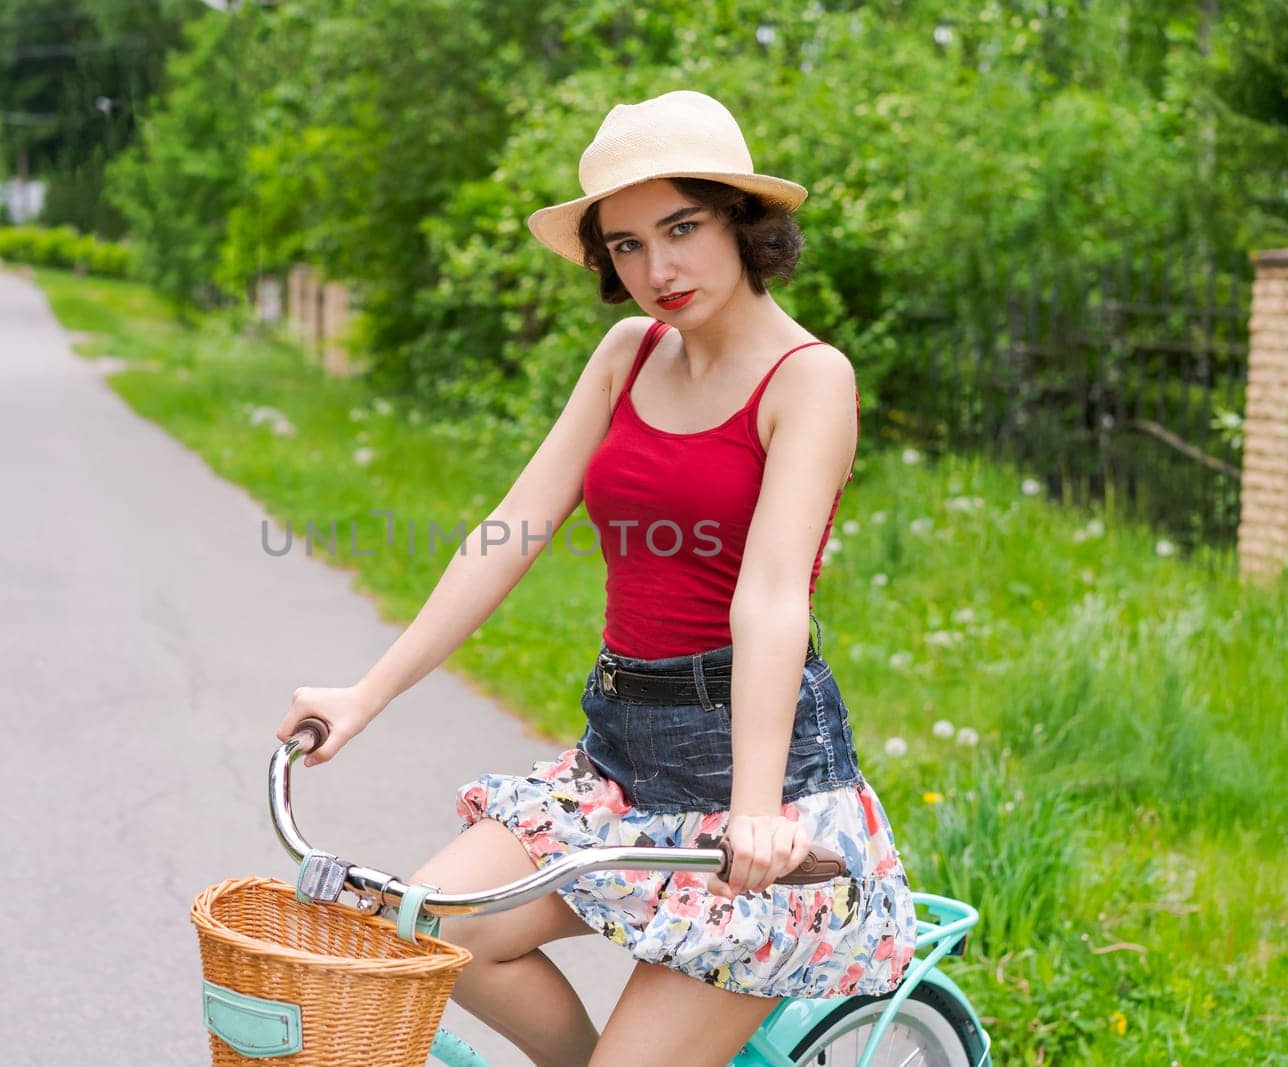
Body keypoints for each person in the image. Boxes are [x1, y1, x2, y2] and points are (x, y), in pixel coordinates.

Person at [276, 89, 918, 1067]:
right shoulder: (629, 353)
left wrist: (754, 806)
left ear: (743, 222)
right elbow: (510, 530)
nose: (655, 268)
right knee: (421, 929)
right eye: (623, 244)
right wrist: (366, 694)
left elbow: (772, 594)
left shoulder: (806, 376)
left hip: (756, 779)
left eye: (681, 227)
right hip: (615, 763)